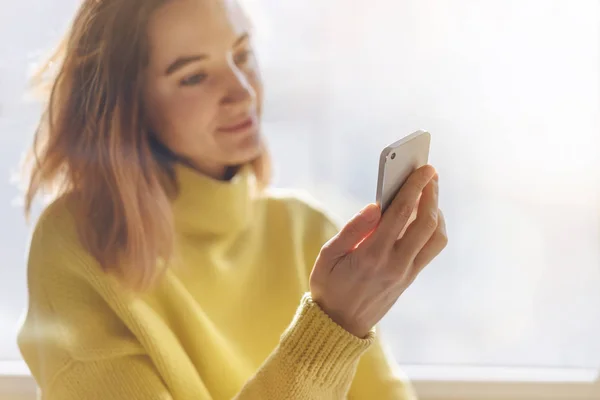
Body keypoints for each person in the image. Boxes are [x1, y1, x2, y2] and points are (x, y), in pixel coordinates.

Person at [16, 0, 448, 399]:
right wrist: (332, 327)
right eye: (194, 76)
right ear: (127, 106)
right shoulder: (77, 245)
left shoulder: (308, 231)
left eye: (242, 55)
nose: (242, 92)